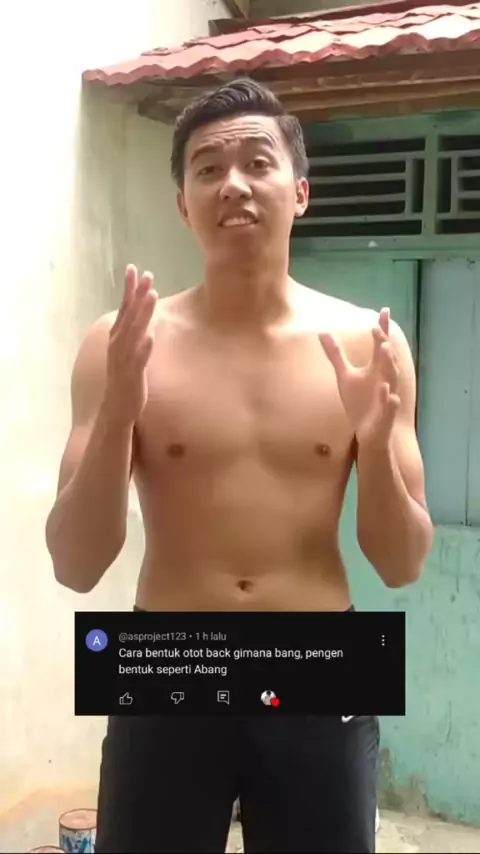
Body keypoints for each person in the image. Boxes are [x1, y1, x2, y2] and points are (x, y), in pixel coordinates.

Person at [46, 79, 433, 853]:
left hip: (321, 659)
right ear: (183, 205)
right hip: (167, 658)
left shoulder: (369, 343)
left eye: (258, 162)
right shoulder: (120, 344)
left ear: (300, 191)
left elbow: (401, 565)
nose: (233, 184)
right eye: (208, 168)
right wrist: (119, 410)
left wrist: (374, 440)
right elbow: (75, 565)